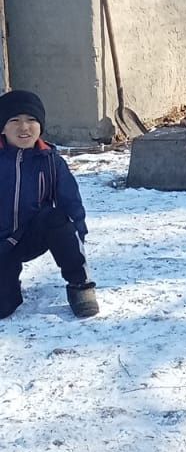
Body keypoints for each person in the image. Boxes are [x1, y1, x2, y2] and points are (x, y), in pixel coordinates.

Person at [0, 89, 99, 319]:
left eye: (31, 120)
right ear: (3, 127)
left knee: (58, 218)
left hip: (32, 235)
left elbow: (71, 204)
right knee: (4, 308)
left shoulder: (51, 161)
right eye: (14, 120)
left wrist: (76, 242)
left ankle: (79, 285)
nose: (24, 128)